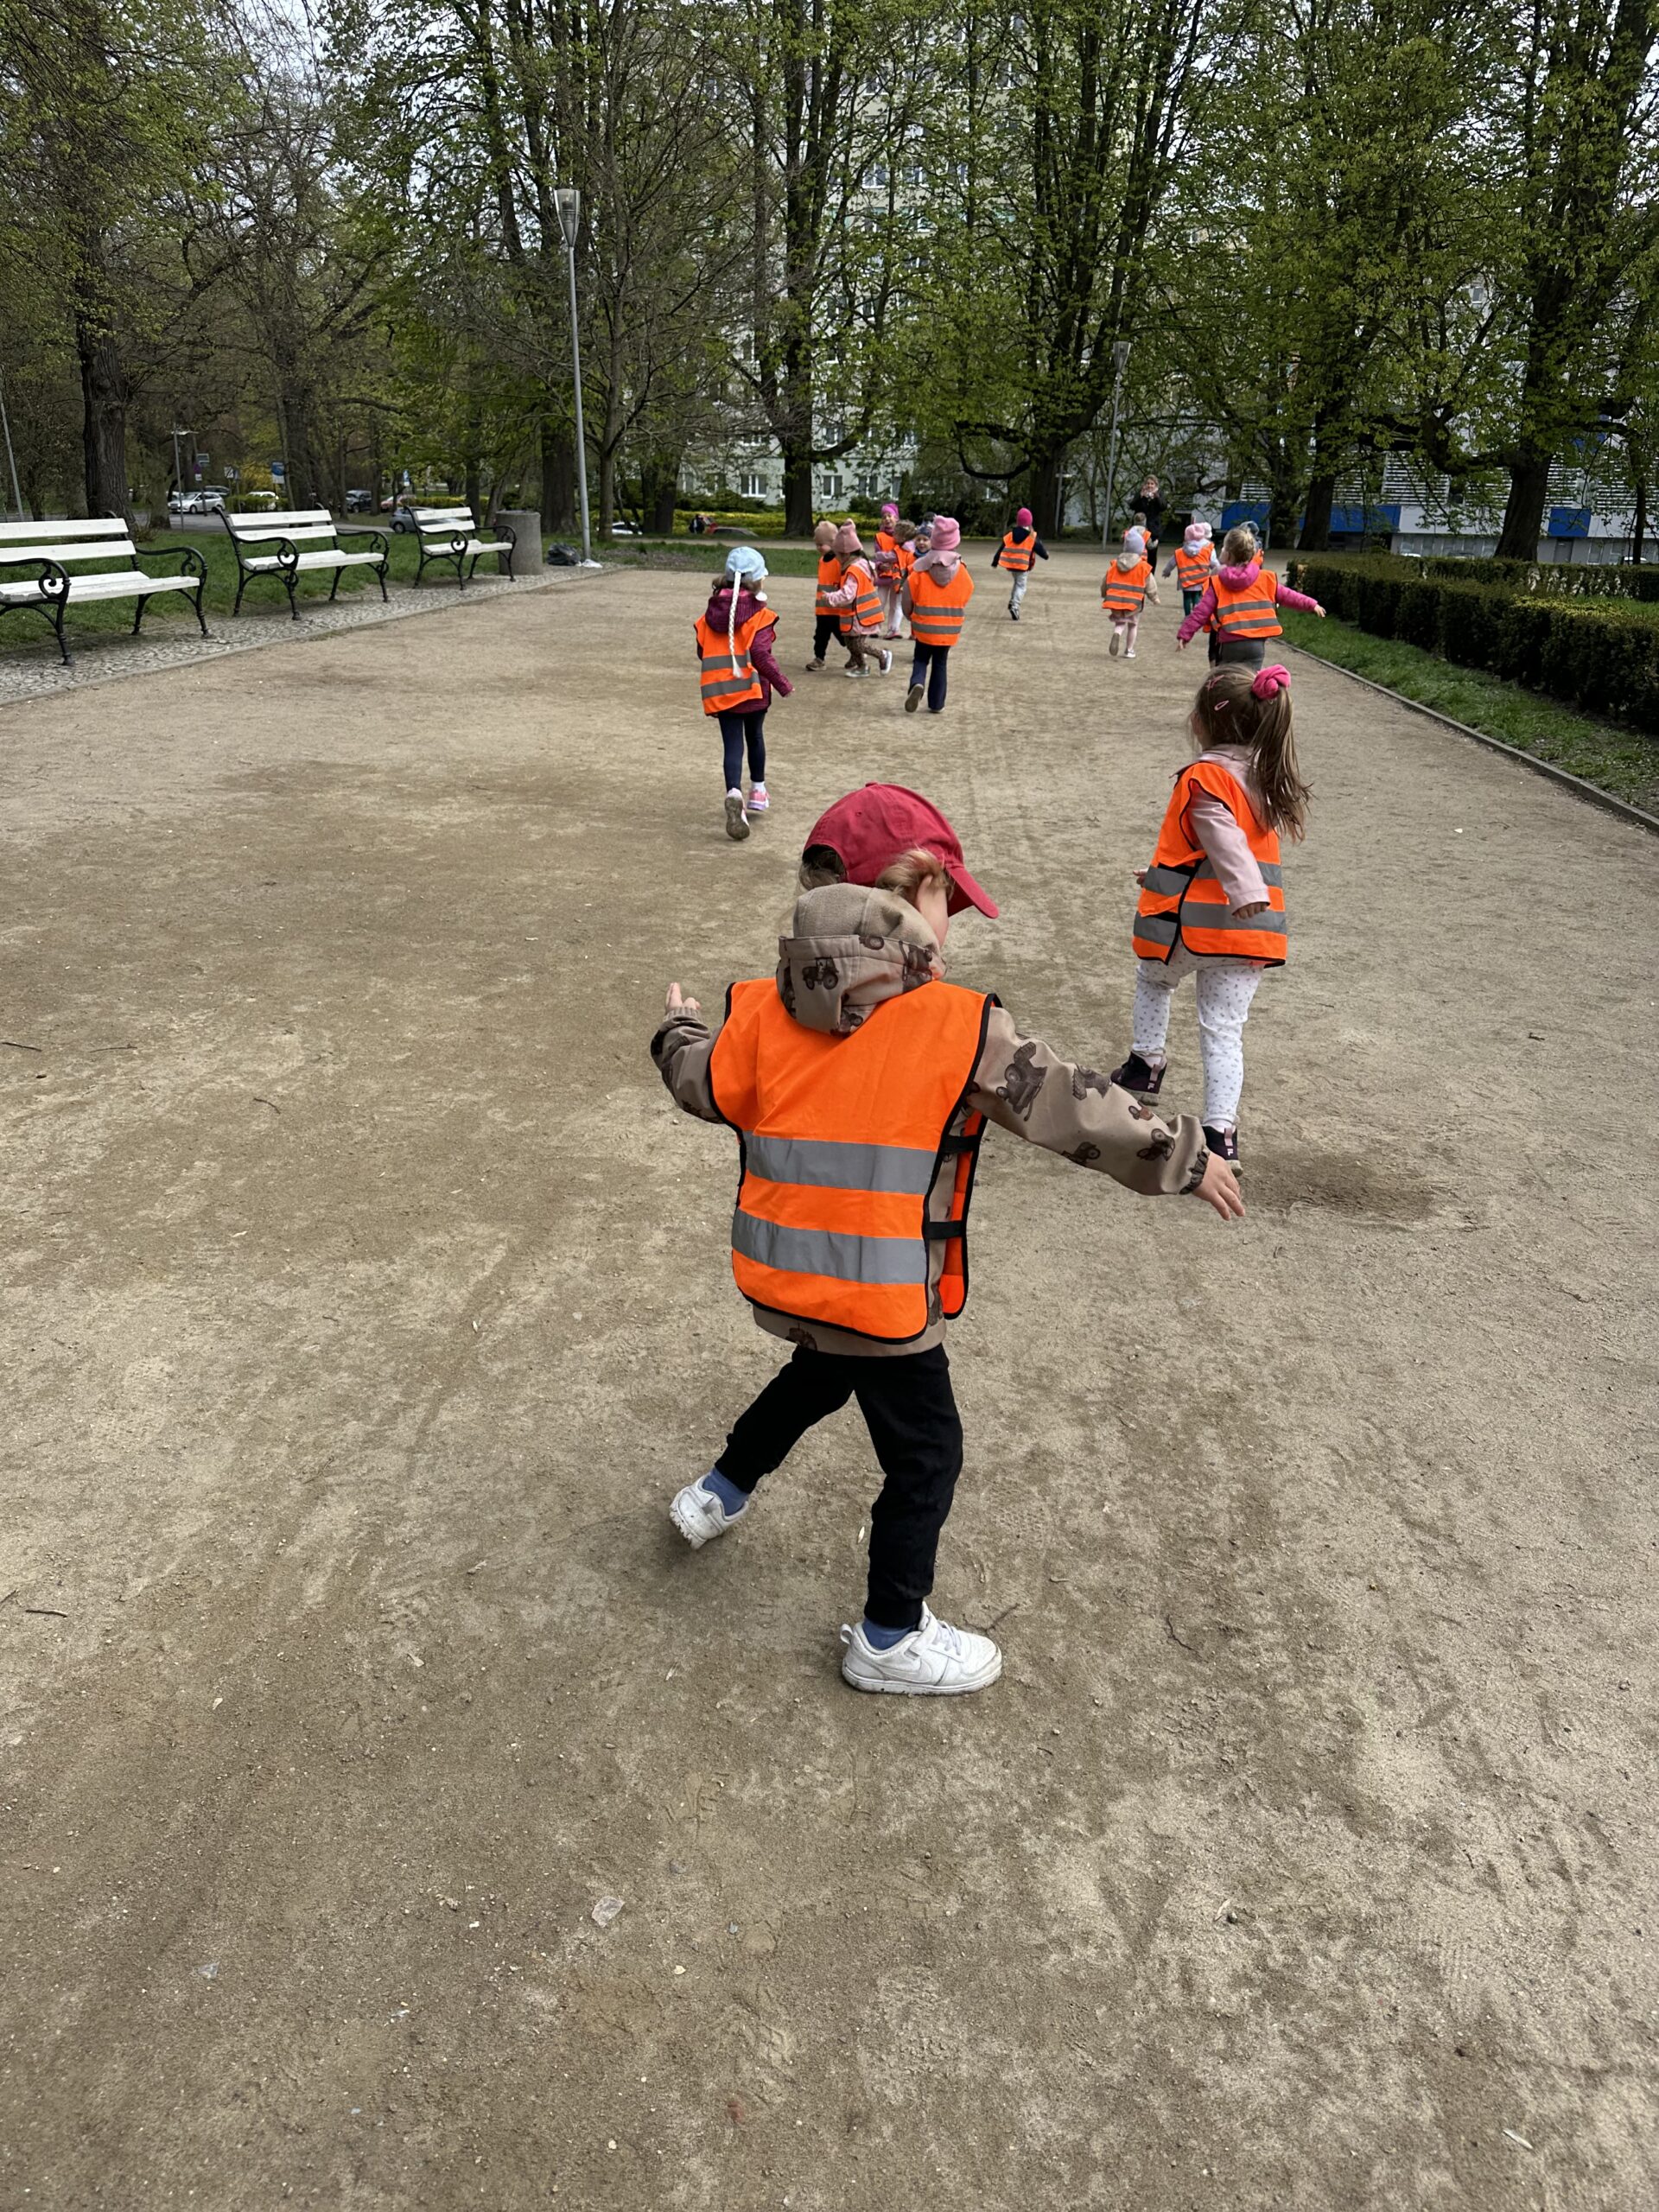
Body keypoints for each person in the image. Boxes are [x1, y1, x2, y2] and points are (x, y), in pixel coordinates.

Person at [652, 783, 1245, 1694]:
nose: (954, 923)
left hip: (792, 1274)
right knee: (927, 1455)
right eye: (945, 900)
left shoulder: (762, 1012)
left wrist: (677, 1028)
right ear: (901, 897)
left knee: (818, 1373)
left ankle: (719, 1491)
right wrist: (1181, 1154)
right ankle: (889, 1636)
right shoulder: (957, 1024)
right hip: (885, 1292)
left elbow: (699, 1078)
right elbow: (1071, 1105)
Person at [1110, 664, 1308, 1168]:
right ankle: (1221, 1132)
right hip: (1250, 940)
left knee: (1154, 979)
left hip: (1198, 930)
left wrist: (1245, 890)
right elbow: (1204, 851)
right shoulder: (1266, 777)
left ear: (1203, 722)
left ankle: (1146, 1063)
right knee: (1223, 1031)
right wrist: (1162, 875)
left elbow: (1222, 837)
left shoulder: (1205, 777)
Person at [693, 545, 792, 842]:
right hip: (753, 690)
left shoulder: (709, 615)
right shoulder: (760, 616)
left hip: (721, 691)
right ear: (758, 581)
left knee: (732, 746)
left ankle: (734, 792)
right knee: (756, 737)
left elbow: (702, 651)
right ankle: (758, 791)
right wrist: (783, 683)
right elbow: (761, 654)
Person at [1176, 525, 1325, 667]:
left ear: (1228, 555)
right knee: (1251, 679)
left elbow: (1201, 612)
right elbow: (1288, 596)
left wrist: (1185, 634)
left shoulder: (1218, 583)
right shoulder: (1266, 579)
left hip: (1230, 643)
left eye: (1224, 547)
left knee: (1227, 678)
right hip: (1256, 644)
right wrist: (1311, 604)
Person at [901, 517, 973, 713]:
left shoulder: (919, 569)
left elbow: (907, 596)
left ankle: (917, 683)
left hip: (923, 625)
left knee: (921, 659)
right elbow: (968, 591)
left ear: (933, 539)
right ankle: (936, 703)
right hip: (949, 627)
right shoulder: (962, 570)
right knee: (940, 663)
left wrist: (910, 616)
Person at [824, 523, 893, 679]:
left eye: (837, 555)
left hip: (861, 615)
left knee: (857, 644)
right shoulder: (862, 563)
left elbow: (848, 595)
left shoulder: (853, 569)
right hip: (858, 615)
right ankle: (862, 667)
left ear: (845, 554)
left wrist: (830, 597)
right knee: (850, 642)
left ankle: (883, 655)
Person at [1100, 527, 1159, 658]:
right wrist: (1154, 597)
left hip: (1116, 600)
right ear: (1140, 549)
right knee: (1133, 625)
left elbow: (1105, 581)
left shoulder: (1115, 565)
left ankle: (1117, 633)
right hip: (1134, 602)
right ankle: (1129, 650)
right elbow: (1150, 584)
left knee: (1120, 622)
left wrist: (1104, 593)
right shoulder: (1143, 566)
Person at [804, 520, 850, 673]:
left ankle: (857, 654)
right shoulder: (821, 560)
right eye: (817, 544)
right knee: (820, 636)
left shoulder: (839, 561)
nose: (819, 547)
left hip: (836, 610)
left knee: (844, 638)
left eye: (821, 544)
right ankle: (819, 658)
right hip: (822, 609)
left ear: (833, 543)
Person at [990, 507, 1049, 620]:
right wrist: (1046, 556)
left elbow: (1001, 548)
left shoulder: (1010, 535)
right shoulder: (1031, 537)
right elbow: (1039, 548)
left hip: (1011, 566)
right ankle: (1015, 605)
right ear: (1029, 522)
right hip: (1023, 566)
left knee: (1017, 583)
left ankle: (1012, 601)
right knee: (1021, 586)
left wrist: (995, 561)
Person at [1164, 521, 1217, 619]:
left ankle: (1187, 616)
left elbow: (1171, 563)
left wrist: (1166, 572)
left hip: (1186, 579)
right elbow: (1213, 563)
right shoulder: (1206, 550)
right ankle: (1196, 616)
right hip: (1201, 579)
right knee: (1197, 596)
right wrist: (1219, 570)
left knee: (1187, 598)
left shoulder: (1180, 552)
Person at [872, 504, 906, 638]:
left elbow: (906, 554)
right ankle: (875, 628)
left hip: (898, 574)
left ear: (896, 517)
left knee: (895, 604)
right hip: (884, 575)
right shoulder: (879, 536)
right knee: (880, 602)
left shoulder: (903, 536)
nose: (887, 519)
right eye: (884, 517)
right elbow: (876, 555)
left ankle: (893, 629)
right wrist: (880, 565)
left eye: (889, 515)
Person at [1136, 477, 1166, 560]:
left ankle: (1151, 569)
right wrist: (1140, 496)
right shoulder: (1141, 493)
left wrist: (1157, 497)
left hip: (1154, 528)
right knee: (1139, 552)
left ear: (1156, 485)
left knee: (1152, 553)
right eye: (1148, 483)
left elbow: (1163, 507)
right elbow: (1132, 505)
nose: (1149, 486)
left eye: (1152, 484)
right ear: (1145, 484)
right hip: (1141, 527)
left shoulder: (1159, 494)